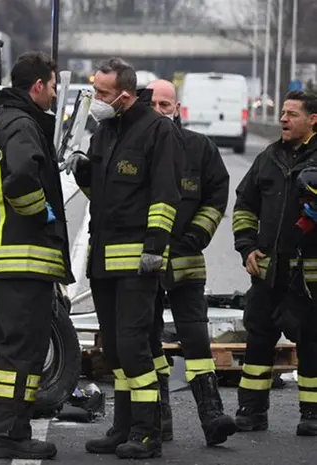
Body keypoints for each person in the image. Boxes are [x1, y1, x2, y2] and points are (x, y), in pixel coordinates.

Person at [63, 58, 183, 459]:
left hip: (136, 262)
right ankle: (123, 428)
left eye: (102, 93)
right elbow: (106, 195)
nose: (96, 99)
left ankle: (148, 433)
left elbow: (166, 195)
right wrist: (83, 171)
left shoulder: (157, 131)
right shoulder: (107, 130)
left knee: (134, 347)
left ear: (125, 95)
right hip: (104, 260)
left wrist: (155, 248)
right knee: (113, 349)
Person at [0, 51, 75, 460]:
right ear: (37, 86)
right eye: (52, 86)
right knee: (23, 352)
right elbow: (21, 181)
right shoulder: (24, 126)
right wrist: (44, 218)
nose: (53, 93)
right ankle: (10, 435)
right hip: (25, 256)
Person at [144, 79, 237, 445]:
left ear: (177, 108)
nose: (160, 111)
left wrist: (197, 235)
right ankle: (159, 418)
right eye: (153, 104)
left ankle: (212, 415)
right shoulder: (135, 147)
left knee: (196, 339)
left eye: (166, 105)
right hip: (144, 264)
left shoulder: (200, 148)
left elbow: (217, 195)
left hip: (186, 262)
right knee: (148, 340)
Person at [231, 90, 317, 437]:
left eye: (292, 114)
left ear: (313, 120)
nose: (283, 119)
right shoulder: (269, 157)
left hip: (309, 278)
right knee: (259, 338)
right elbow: (244, 204)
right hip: (267, 272)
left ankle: (312, 414)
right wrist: (247, 247)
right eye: (282, 113)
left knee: (312, 342)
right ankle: (252, 411)